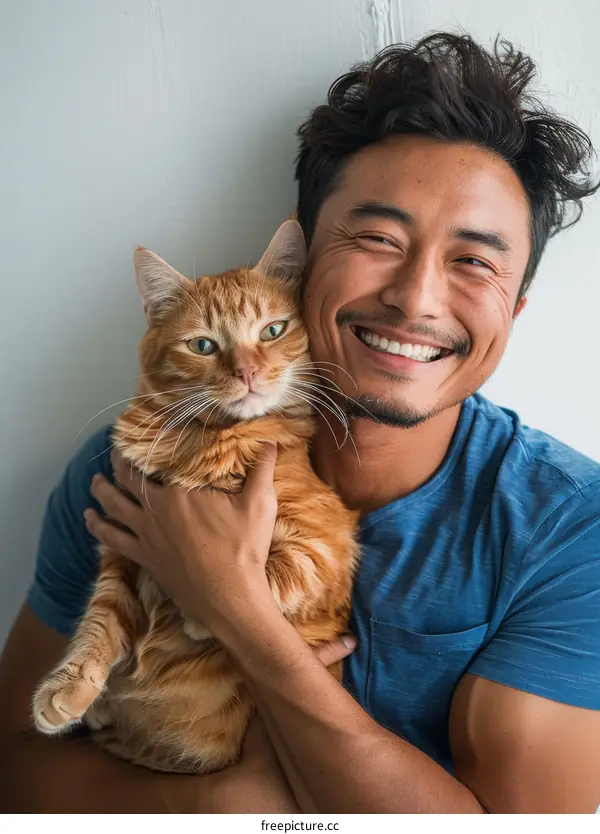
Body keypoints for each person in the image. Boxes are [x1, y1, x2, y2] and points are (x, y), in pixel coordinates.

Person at [1, 32, 599, 814]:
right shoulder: (145, 464)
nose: (417, 300)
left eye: (475, 261)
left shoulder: (570, 529)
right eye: (380, 238)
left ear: (513, 311)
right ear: (298, 260)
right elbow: (14, 765)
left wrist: (239, 610)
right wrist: (227, 806)